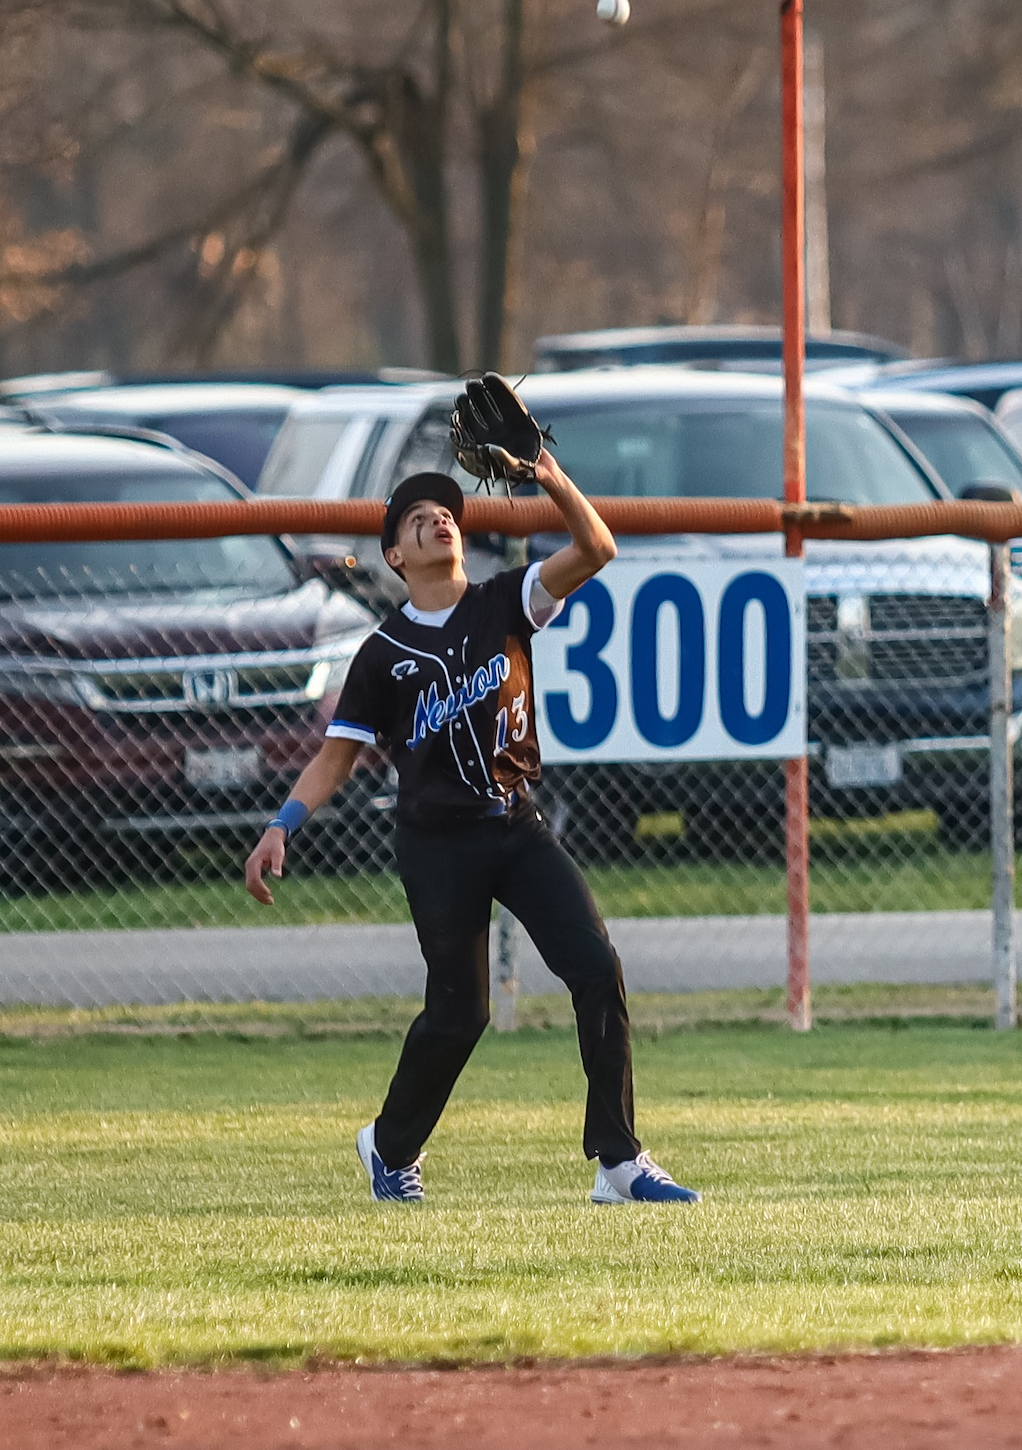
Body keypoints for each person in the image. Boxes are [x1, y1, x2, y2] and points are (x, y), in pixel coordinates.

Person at [242, 453, 700, 1206]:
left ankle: (619, 1163)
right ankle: (389, 1147)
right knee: (461, 1013)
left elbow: (597, 549)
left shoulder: (505, 601)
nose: (437, 520)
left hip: (516, 823)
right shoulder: (381, 655)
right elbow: (336, 757)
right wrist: (281, 824)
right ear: (395, 556)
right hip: (437, 844)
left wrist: (549, 474)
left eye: (445, 512)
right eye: (417, 519)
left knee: (596, 967)